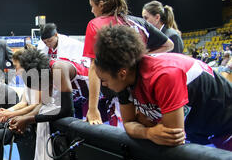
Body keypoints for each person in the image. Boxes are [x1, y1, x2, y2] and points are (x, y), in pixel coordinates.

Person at [94, 25, 232, 151]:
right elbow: (129, 124)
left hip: (225, 124)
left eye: (104, 80)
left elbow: (172, 137)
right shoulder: (125, 81)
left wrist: (146, 124)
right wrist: (148, 133)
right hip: (202, 127)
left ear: (122, 73)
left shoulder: (164, 75)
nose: (104, 85)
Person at [84, 0, 174, 125]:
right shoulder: (138, 22)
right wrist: (142, 56)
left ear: (101, 4)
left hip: (119, 94)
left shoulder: (96, 24)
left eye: (92, 6)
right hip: (144, 92)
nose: (92, 10)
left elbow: (94, 68)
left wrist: (93, 109)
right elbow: (168, 45)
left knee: (125, 136)